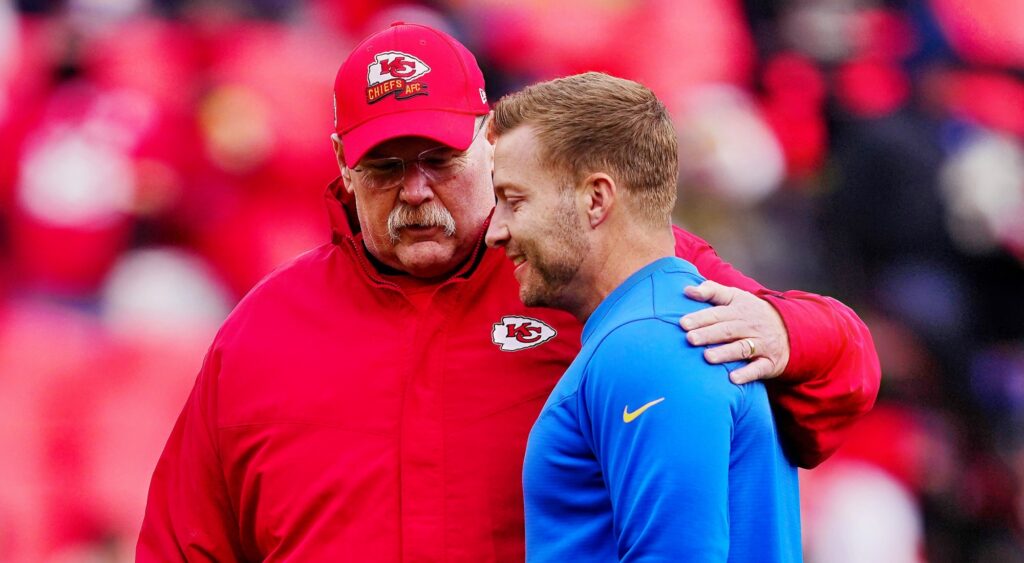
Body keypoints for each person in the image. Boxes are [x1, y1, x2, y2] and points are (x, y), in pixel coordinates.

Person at [137, 22, 877, 561]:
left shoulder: (590, 266)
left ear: (489, 140)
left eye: (438, 157)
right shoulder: (263, 332)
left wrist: (784, 332)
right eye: (385, 166)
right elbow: (181, 543)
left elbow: (843, 374)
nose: (416, 191)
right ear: (341, 165)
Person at [486, 71, 801, 561]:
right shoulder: (663, 326)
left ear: (595, 199)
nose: (495, 231)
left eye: (514, 200)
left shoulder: (651, 347)